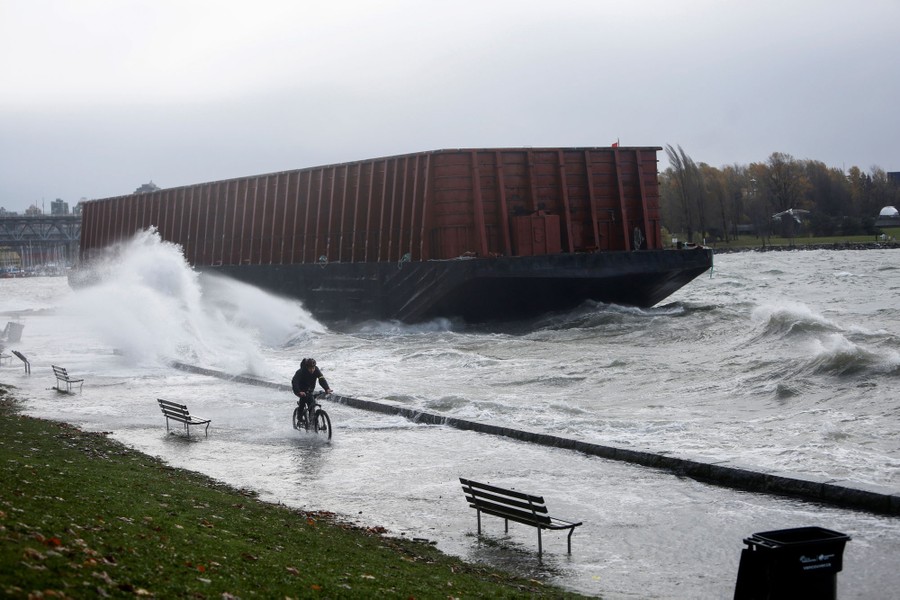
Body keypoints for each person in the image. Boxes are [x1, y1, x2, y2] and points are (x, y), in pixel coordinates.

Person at [291, 358, 332, 426]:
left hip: (310, 390)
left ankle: (312, 422)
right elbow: (295, 382)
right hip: (300, 389)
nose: (312, 370)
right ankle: (299, 417)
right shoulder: (300, 372)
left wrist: (327, 388)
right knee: (304, 398)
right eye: (310, 368)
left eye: (313, 368)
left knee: (311, 404)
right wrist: (299, 391)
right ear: (306, 367)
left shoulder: (316, 370)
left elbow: (321, 379)